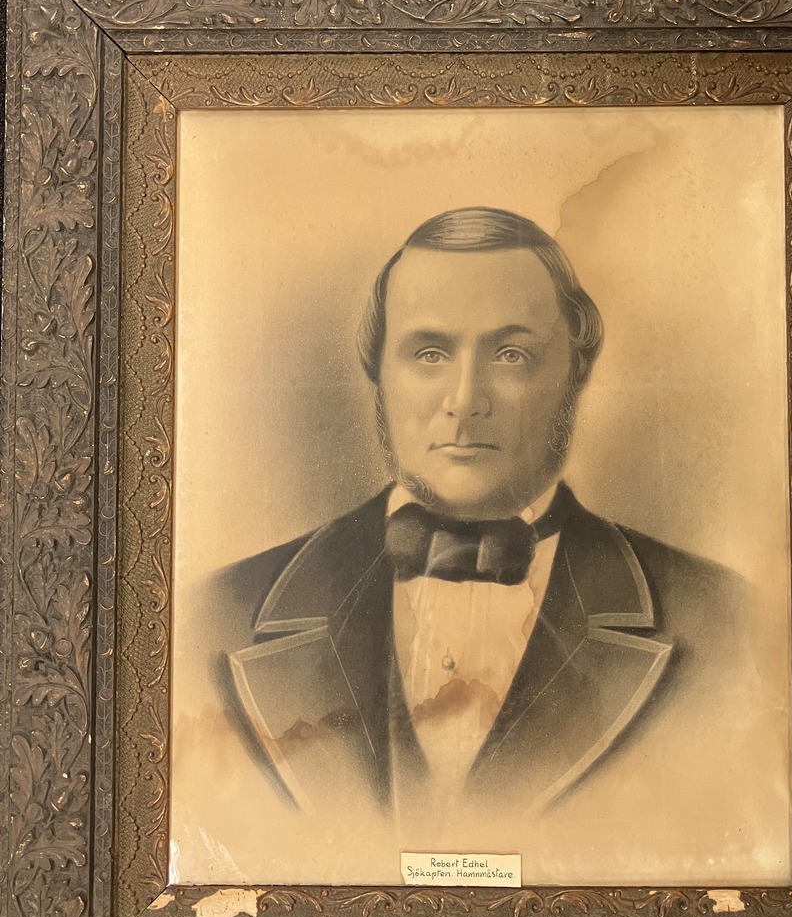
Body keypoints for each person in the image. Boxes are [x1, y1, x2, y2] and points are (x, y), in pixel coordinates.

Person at [201, 207, 752, 848]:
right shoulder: (217, 614)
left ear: (576, 371)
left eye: (511, 354)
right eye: (429, 353)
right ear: (378, 370)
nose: (465, 399)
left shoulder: (725, 623)